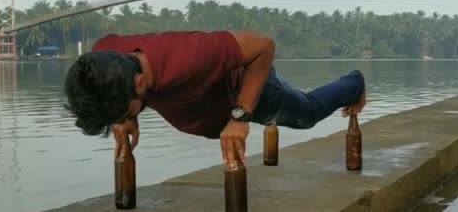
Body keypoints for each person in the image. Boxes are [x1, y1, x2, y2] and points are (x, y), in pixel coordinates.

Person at [64, 30, 366, 165]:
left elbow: (263, 46)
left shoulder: (192, 54)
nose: (125, 119)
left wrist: (240, 115)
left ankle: (354, 83)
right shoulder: (103, 57)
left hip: (249, 93)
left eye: (123, 112)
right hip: (206, 106)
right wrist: (124, 118)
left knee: (307, 115)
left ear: (140, 81)